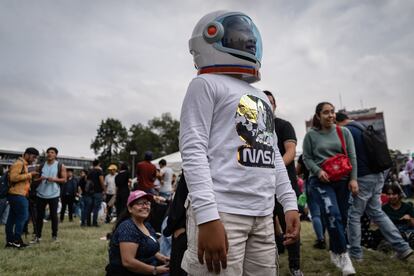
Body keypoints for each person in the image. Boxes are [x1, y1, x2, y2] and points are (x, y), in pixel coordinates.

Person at [180, 11, 300, 275]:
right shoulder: (204, 84)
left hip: (263, 213)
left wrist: (289, 202)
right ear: (211, 36)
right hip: (222, 211)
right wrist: (208, 216)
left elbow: (273, 155)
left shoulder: (260, 96)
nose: (247, 41)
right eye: (237, 34)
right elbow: (192, 150)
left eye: (248, 35)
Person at [336, 112, 414, 261]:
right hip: (378, 175)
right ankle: (402, 248)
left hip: (363, 177)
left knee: (354, 215)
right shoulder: (364, 127)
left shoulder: (347, 131)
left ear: (339, 122)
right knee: (377, 213)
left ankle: (355, 253)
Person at [302, 102, 357, 275]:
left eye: (332, 112)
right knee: (332, 214)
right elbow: (307, 158)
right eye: (326, 112)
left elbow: (352, 157)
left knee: (341, 218)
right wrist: (318, 171)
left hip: (342, 181)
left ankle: (334, 250)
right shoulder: (311, 136)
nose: (331, 115)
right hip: (320, 182)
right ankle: (344, 256)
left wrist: (354, 179)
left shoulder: (344, 132)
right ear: (318, 116)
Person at [264, 90, 303, 276]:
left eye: (270, 102)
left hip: (283, 185)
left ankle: (295, 266)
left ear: (275, 105)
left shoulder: (283, 125)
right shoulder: (253, 129)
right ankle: (272, 259)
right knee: (267, 226)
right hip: (262, 188)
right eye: (263, 101)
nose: (267, 105)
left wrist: (270, 167)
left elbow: (290, 151)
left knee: (291, 227)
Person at [106, 190, 170, 276]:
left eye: (147, 203)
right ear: (130, 208)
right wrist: (155, 270)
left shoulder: (146, 225)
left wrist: (162, 257)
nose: (145, 206)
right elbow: (128, 262)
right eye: (140, 203)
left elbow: (146, 248)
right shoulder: (128, 228)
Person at [5, 147, 39, 248]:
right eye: (33, 157)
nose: (34, 159)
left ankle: (10, 241)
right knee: (23, 216)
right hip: (17, 195)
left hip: (18, 194)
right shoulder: (19, 164)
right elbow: (13, 178)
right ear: (27, 154)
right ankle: (16, 240)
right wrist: (30, 175)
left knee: (11, 219)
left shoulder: (23, 164)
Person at [34, 147, 67, 243]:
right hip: (40, 193)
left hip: (54, 194)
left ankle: (54, 236)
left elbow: (64, 179)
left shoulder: (60, 165)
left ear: (56, 155)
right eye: (48, 152)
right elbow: (34, 179)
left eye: (52, 152)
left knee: (53, 215)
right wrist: (40, 179)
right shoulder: (41, 165)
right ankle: (38, 236)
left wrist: (54, 179)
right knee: (39, 216)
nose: (49, 154)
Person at [297, 154, 326, 249]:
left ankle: (321, 239)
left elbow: (297, 171)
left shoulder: (304, 156)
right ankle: (326, 237)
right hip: (324, 183)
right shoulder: (323, 153)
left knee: (315, 214)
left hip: (310, 183)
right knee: (324, 213)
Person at [89, 159, 105, 227]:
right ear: (99, 164)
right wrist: (104, 189)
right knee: (96, 208)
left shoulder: (90, 171)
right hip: (98, 191)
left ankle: (88, 222)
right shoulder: (99, 171)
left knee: (89, 207)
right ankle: (94, 223)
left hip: (90, 191)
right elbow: (101, 180)